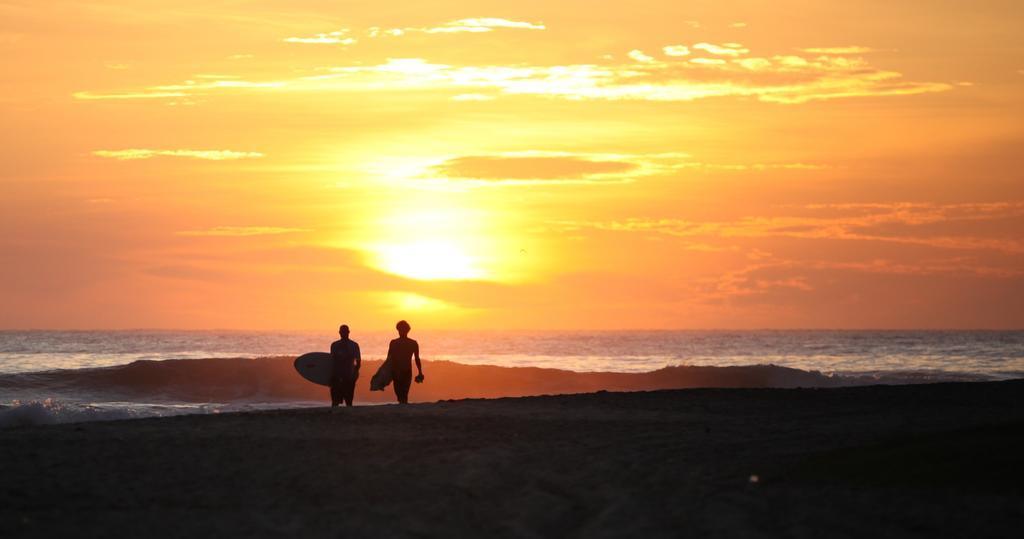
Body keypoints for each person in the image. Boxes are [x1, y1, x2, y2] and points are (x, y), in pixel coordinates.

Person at [385, 320, 424, 404]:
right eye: (399, 329)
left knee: (404, 393)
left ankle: (403, 407)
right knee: (399, 394)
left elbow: (417, 358)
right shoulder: (393, 343)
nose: (400, 331)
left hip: (407, 371)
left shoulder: (413, 343)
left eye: (402, 329)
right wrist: (386, 372)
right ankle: (403, 406)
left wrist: (420, 372)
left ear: (407, 330)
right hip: (396, 372)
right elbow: (389, 359)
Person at [329, 324, 361, 407]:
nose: (344, 333)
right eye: (342, 332)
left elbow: (358, 361)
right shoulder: (334, 345)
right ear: (339, 333)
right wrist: (331, 375)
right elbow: (332, 361)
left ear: (349, 332)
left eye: (345, 332)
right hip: (337, 375)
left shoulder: (354, 345)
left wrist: (355, 374)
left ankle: (348, 415)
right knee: (335, 400)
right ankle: (335, 416)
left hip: (348, 375)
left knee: (348, 400)